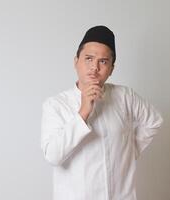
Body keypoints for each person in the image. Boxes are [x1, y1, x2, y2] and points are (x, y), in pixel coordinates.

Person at [41, 25, 163, 200]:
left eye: (103, 61)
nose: (94, 68)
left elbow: (154, 121)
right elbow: (52, 156)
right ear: (76, 61)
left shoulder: (125, 96)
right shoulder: (56, 105)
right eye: (89, 59)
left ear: (111, 69)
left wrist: (129, 151)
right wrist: (83, 112)